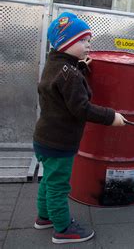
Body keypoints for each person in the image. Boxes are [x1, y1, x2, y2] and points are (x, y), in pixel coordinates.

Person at [33, 12, 126, 244]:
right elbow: (81, 108)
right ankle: (63, 229)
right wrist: (110, 117)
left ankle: (44, 217)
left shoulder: (55, 64)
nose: (88, 46)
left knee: (49, 180)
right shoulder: (70, 75)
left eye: (89, 40)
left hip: (43, 138)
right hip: (59, 142)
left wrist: (81, 68)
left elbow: (64, 80)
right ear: (66, 43)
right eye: (83, 41)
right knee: (58, 186)